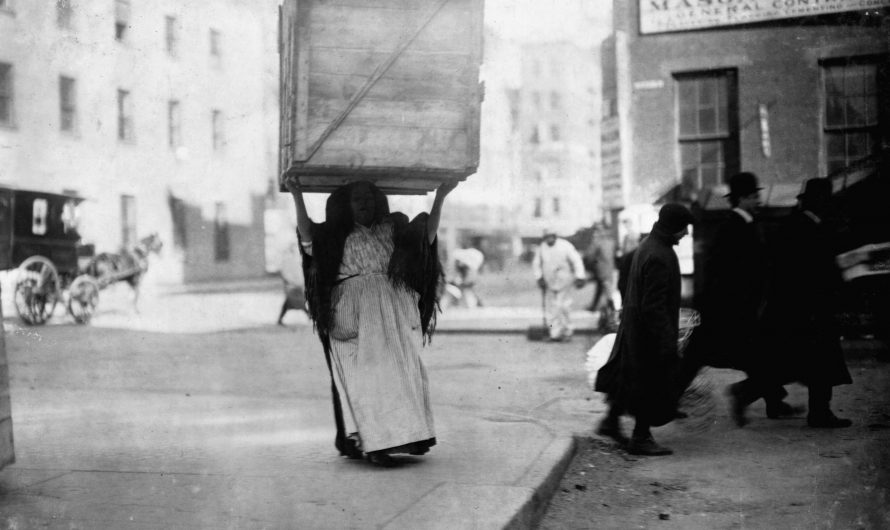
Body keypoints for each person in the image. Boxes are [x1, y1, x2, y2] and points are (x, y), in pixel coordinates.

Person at [284, 175, 456, 466]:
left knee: (399, 377)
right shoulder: (335, 235)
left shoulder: (391, 229)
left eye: (368, 197)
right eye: (357, 198)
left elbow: (426, 237)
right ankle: (373, 443)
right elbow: (307, 236)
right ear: (348, 205)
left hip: (392, 308)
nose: (364, 203)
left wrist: (441, 196)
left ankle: (404, 437)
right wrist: (296, 194)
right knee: (363, 380)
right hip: (352, 310)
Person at [684, 172, 794, 426]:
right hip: (731, 309)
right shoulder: (733, 227)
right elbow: (724, 273)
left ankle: (772, 401)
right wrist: (744, 305)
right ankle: (653, 407)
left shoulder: (745, 224)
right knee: (754, 355)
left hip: (737, 308)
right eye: (754, 196)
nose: (758, 200)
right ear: (743, 199)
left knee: (759, 355)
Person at [594, 203, 694, 456]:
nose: (686, 234)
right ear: (673, 227)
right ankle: (640, 438)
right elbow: (654, 306)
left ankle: (611, 422)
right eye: (684, 228)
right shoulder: (660, 255)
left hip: (637, 330)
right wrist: (666, 342)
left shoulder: (649, 246)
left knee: (630, 379)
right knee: (649, 384)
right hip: (648, 335)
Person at [761, 178, 853, 428]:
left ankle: (771, 400)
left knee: (797, 361)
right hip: (812, 308)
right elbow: (818, 271)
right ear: (821, 202)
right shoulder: (811, 229)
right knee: (821, 361)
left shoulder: (793, 225)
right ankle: (819, 413)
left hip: (797, 307)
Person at [532, 228, 586, 342]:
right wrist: (539, 277)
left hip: (564, 280)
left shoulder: (565, 246)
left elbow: (576, 261)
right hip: (550, 281)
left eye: (551, 237)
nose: (549, 240)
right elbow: (536, 264)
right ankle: (554, 333)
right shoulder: (542, 248)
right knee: (552, 308)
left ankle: (567, 331)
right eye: (547, 237)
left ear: (555, 236)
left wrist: (580, 275)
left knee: (564, 306)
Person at [584, 224, 617, 314]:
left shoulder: (598, 242)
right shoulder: (611, 242)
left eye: (598, 230)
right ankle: (595, 306)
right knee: (601, 288)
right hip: (608, 269)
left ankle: (612, 308)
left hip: (602, 269)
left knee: (606, 289)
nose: (596, 232)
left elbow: (589, 256)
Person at [277, 240, 306, 325]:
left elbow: (299, 271)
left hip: (297, 284)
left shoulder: (297, 258)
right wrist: (290, 281)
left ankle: (309, 316)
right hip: (291, 285)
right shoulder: (287, 259)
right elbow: (285, 272)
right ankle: (309, 315)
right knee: (292, 301)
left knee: (297, 301)